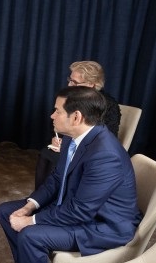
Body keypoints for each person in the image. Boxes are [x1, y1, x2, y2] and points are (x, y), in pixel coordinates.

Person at [0, 86, 139, 263]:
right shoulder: (75, 137)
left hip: (101, 226)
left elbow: (80, 212)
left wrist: (31, 221)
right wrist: (30, 205)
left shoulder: (105, 154)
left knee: (30, 235)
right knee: (6, 210)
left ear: (76, 117)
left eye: (57, 110)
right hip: (75, 207)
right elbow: (56, 180)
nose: (52, 115)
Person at [34, 60, 121, 188]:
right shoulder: (69, 98)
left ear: (91, 84)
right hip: (69, 145)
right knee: (47, 153)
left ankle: (58, 196)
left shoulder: (108, 105)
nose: (69, 85)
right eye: (70, 80)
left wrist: (71, 145)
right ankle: (41, 195)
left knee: (57, 160)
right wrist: (56, 139)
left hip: (90, 151)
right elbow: (56, 124)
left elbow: (106, 137)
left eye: (74, 82)